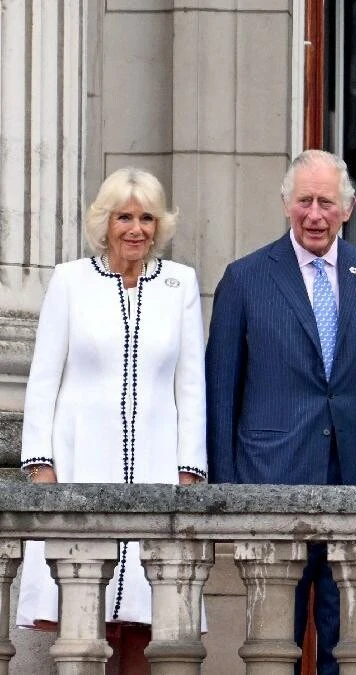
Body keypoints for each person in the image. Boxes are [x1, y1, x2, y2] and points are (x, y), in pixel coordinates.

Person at [205, 149, 356, 675]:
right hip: (271, 477)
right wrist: (225, 488)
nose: (315, 214)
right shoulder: (245, 278)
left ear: (348, 209)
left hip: (354, 479)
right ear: (287, 204)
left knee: (351, 643)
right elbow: (221, 389)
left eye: (327, 203)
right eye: (305, 201)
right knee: (273, 642)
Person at [19, 168, 207, 673]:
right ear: (105, 222)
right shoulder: (70, 282)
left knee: (150, 624)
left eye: (147, 217)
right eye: (125, 216)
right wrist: (41, 469)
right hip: (82, 462)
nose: (136, 229)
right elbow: (43, 381)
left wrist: (190, 470)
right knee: (83, 624)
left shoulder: (180, 283)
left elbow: (190, 385)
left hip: (157, 464)